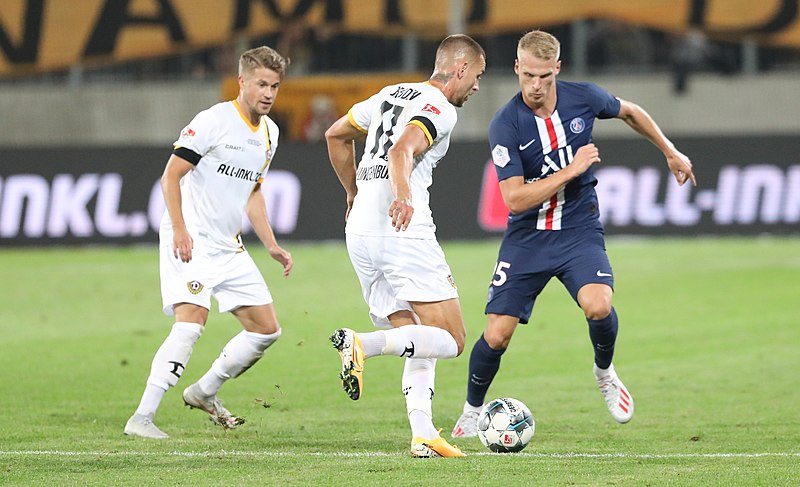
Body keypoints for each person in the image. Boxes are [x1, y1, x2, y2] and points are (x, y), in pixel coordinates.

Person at [451, 30, 696, 438]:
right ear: (516, 68)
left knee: (598, 305)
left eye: (544, 77)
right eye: (528, 75)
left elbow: (631, 111)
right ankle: (470, 410)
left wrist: (670, 150)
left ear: (557, 69)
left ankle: (604, 372)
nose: (535, 85)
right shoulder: (506, 124)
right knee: (497, 334)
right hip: (528, 237)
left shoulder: (584, 98)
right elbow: (514, 199)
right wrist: (573, 169)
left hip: (578, 229)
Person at [324, 34, 486, 457]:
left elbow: (335, 135)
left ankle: (423, 433)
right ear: (461, 69)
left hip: (360, 232)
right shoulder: (441, 109)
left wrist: (352, 193)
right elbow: (402, 150)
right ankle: (362, 343)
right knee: (451, 338)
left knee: (416, 335)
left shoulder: (388, 94)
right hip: (402, 233)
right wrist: (401, 195)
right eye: (479, 76)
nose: (478, 87)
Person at [124, 46, 293, 439]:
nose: (268, 93)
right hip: (191, 238)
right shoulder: (213, 121)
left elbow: (253, 192)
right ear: (242, 82)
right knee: (191, 323)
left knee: (266, 330)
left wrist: (270, 244)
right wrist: (180, 229)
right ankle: (142, 418)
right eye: (261, 84)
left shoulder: (270, 133)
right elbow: (170, 176)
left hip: (228, 245)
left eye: (275, 86)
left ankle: (204, 391)